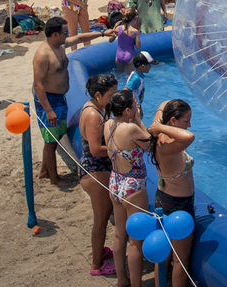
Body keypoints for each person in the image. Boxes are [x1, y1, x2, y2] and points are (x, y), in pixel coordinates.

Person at [33, 18, 113, 186]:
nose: (67, 35)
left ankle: (44, 171)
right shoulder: (43, 55)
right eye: (64, 33)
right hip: (49, 100)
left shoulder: (59, 46)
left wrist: (102, 33)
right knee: (50, 142)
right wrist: (48, 110)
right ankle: (54, 179)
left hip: (60, 98)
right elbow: (38, 86)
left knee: (57, 136)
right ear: (55, 34)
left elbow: (79, 38)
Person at [104, 89, 153, 287]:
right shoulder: (132, 129)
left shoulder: (108, 124)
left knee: (119, 234)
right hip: (133, 185)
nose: (136, 106)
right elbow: (151, 145)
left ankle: (122, 280)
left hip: (115, 181)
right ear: (126, 110)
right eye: (134, 104)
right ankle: (135, 284)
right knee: (136, 241)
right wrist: (139, 119)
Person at [151, 99, 196, 287]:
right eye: (186, 120)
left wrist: (160, 125)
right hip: (179, 205)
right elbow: (189, 137)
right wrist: (162, 126)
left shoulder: (158, 136)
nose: (189, 124)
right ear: (173, 120)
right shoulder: (167, 144)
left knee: (162, 254)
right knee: (180, 260)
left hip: (163, 198)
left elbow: (162, 104)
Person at [78, 73, 119, 277]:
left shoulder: (97, 107)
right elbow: (95, 149)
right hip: (96, 169)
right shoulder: (93, 114)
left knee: (102, 217)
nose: (114, 98)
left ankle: (100, 251)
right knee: (101, 220)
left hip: (97, 168)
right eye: (111, 94)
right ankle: (96, 265)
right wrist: (119, 148)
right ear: (97, 94)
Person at [113, 8, 142, 74]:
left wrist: (114, 27)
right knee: (130, 77)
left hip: (118, 56)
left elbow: (111, 39)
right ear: (134, 19)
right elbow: (138, 47)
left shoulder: (118, 28)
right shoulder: (135, 31)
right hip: (129, 56)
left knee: (120, 75)